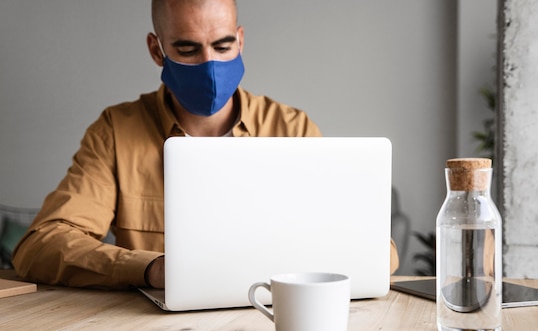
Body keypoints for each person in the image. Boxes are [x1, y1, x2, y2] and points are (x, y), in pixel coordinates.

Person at [12, 0, 399, 289]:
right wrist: (151, 269)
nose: (210, 65)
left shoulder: (291, 127)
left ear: (241, 40)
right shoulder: (116, 130)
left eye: (223, 45)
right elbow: (40, 246)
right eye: (187, 49)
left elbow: (379, 252)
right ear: (156, 50)